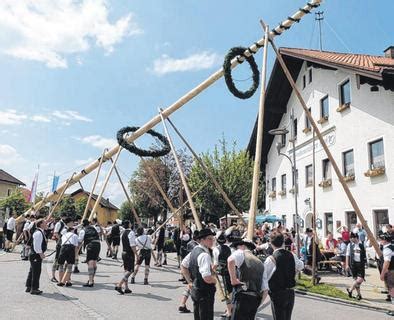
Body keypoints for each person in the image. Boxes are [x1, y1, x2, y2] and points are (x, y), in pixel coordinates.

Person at [262, 231, 304, 320]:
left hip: (277, 293)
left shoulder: (271, 259)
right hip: (290, 292)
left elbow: (265, 277)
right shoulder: (292, 255)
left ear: (271, 243)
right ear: (283, 242)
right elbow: (301, 265)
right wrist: (294, 271)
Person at [228, 238, 264, 320]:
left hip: (243, 296)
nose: (236, 249)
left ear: (242, 246)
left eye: (237, 247)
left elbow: (230, 260)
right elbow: (265, 289)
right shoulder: (260, 262)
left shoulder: (241, 253)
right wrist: (258, 303)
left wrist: (233, 280)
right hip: (255, 299)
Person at [188, 228, 217, 320]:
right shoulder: (204, 255)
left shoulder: (194, 250)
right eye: (209, 238)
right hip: (205, 291)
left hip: (196, 288)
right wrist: (214, 280)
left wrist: (190, 281)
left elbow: (183, 266)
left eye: (212, 238)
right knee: (206, 316)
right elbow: (206, 277)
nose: (212, 241)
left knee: (198, 315)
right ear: (202, 240)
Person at [213, 232, 233, 319]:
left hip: (222, 272)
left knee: (226, 292)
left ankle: (229, 311)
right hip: (231, 270)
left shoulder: (216, 249)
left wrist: (212, 270)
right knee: (231, 290)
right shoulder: (230, 248)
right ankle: (230, 308)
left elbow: (215, 263)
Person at [25, 219, 47, 295]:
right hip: (36, 255)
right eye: (45, 223)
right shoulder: (38, 233)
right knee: (36, 272)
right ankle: (34, 288)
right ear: (41, 224)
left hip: (34, 254)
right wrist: (41, 254)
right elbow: (36, 245)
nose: (46, 224)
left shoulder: (39, 232)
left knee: (32, 270)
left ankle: (29, 286)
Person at [115, 220, 136, 294]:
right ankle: (119, 285)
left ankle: (126, 288)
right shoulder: (131, 232)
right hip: (129, 253)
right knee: (130, 271)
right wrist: (136, 254)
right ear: (129, 224)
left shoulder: (123, 233)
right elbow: (132, 245)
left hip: (123, 252)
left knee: (126, 270)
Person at [57, 218, 79, 287]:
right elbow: (76, 247)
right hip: (70, 248)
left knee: (61, 265)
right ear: (72, 230)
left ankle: (61, 280)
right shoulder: (75, 235)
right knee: (69, 266)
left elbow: (61, 244)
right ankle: (64, 282)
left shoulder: (64, 235)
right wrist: (75, 255)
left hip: (63, 248)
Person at [345, 232, 366, 300]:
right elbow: (347, 255)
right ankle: (359, 295)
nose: (351, 239)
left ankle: (350, 290)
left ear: (356, 238)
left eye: (352, 238)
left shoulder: (361, 245)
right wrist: (347, 265)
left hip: (360, 264)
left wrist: (366, 263)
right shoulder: (349, 245)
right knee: (356, 281)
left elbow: (364, 255)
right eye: (350, 238)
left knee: (360, 279)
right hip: (353, 265)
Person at [80, 219, 101, 287]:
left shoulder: (83, 230)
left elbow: (80, 240)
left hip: (91, 245)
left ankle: (90, 282)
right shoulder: (93, 228)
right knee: (94, 262)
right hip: (98, 245)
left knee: (90, 263)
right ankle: (92, 279)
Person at [378, 233, 394, 315]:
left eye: (381, 239)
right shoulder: (392, 246)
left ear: (384, 240)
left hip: (391, 271)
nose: (380, 241)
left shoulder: (387, 249)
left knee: (392, 290)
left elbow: (387, 262)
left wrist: (382, 273)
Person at [51, 215, 67, 282]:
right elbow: (56, 233)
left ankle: (65, 276)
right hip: (60, 243)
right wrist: (60, 240)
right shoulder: (59, 223)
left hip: (65, 244)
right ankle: (53, 276)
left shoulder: (65, 224)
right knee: (57, 259)